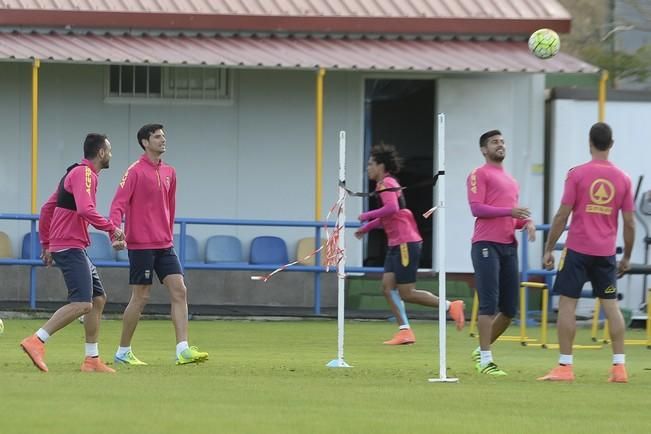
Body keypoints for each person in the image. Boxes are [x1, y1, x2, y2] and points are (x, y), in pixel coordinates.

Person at [538, 122, 634, 383]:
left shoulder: (576, 174)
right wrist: (625, 257)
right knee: (611, 306)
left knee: (568, 305)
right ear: (611, 144)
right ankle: (619, 367)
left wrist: (548, 248)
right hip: (605, 253)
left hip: (577, 250)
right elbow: (629, 222)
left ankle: (565, 367)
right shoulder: (623, 179)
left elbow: (561, 215)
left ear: (589, 142)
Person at [20, 133, 124, 373]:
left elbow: (48, 208)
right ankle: (36, 340)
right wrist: (113, 229)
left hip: (69, 244)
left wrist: (46, 243)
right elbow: (86, 209)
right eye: (109, 150)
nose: (110, 154)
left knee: (98, 299)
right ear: (100, 153)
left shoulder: (74, 173)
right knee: (82, 303)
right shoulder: (85, 173)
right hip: (70, 245)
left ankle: (92, 359)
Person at [110, 123, 208, 366]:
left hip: (165, 244)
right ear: (145, 142)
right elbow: (117, 204)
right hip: (141, 244)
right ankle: (123, 351)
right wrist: (115, 232)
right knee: (141, 297)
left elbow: (170, 206)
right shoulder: (133, 171)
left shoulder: (170, 172)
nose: (163, 140)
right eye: (157, 137)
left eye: (164, 136)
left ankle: (182, 349)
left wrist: (168, 233)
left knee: (180, 290)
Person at [355, 143, 465, 345]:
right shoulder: (387, 184)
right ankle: (405, 331)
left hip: (405, 243)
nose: (368, 168)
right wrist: (366, 228)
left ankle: (451, 306)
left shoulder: (385, 183)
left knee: (407, 293)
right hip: (396, 244)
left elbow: (391, 208)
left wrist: (365, 215)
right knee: (387, 288)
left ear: (381, 166)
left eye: (371, 163)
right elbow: (391, 215)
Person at [467, 129, 536, 376]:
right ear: (484, 149)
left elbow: (512, 219)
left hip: (508, 247)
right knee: (488, 304)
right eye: (495, 142)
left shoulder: (512, 180)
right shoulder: (479, 174)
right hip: (486, 244)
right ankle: (485, 360)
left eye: (502, 141)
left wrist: (525, 223)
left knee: (509, 310)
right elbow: (477, 208)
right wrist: (510, 212)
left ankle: (480, 350)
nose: (500, 145)